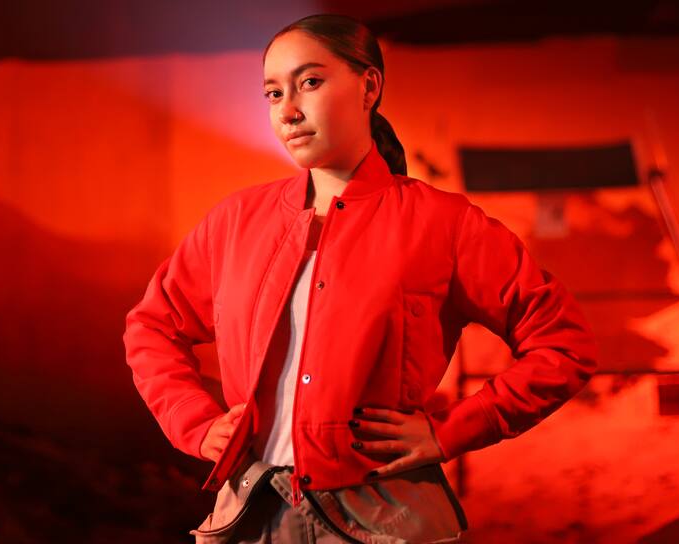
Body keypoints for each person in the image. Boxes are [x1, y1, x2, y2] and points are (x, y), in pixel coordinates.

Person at [123, 13, 599, 543]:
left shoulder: (444, 224)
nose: (289, 110)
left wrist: (453, 430)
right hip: (250, 516)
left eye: (310, 82)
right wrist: (196, 421)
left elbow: (564, 344)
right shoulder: (236, 221)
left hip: (383, 517)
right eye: (274, 93)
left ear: (369, 86)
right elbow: (151, 327)